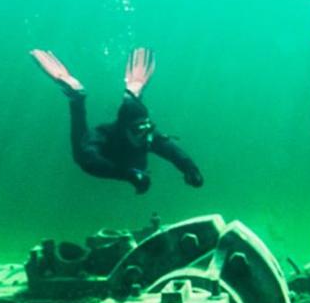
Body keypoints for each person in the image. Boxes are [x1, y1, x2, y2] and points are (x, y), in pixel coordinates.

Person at [30, 47, 203, 194]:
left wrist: (191, 169)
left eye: (144, 128)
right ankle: (77, 98)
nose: (143, 133)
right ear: (127, 128)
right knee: (82, 155)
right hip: (102, 155)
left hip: (127, 158)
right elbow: (91, 161)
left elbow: (173, 152)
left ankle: (132, 92)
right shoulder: (102, 137)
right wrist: (129, 175)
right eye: (137, 130)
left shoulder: (147, 133)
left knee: (133, 114)